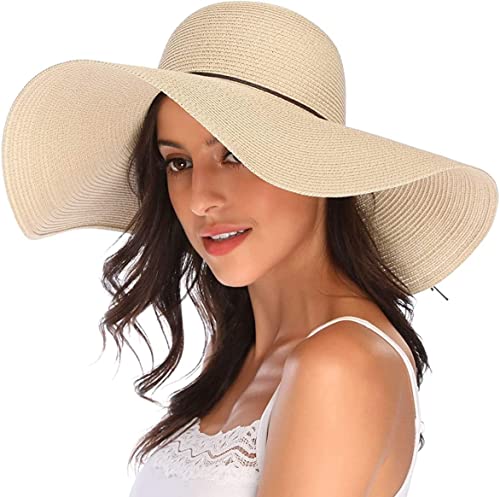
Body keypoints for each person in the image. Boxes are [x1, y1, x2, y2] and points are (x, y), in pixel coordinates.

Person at [1, 2, 497, 496]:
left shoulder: (340, 364)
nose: (199, 199)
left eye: (234, 154)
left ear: (322, 166)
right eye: (177, 163)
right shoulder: (240, 358)